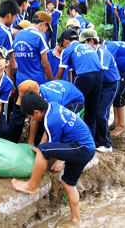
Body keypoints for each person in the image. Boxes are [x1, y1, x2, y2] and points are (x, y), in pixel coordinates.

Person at [12, 91, 96, 224]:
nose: (32, 120)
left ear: (36, 112)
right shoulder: (53, 106)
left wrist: (58, 159)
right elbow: (48, 134)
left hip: (81, 148)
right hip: (86, 147)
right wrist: (40, 146)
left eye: (31, 117)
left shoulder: (52, 120)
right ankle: (76, 220)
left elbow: (50, 148)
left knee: (44, 150)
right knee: (68, 183)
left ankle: (32, 186)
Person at [8, 11, 54, 142]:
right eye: (47, 28)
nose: (46, 31)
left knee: (17, 114)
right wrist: (52, 80)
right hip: (37, 83)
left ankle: (12, 142)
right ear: (43, 24)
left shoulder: (18, 35)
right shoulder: (39, 36)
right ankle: (37, 145)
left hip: (21, 81)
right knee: (39, 114)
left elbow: (14, 61)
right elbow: (45, 64)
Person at [54, 29, 103, 138]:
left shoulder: (67, 50)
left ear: (66, 42)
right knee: (92, 108)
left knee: (71, 104)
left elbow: (60, 75)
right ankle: (90, 140)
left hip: (84, 76)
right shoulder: (88, 47)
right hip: (99, 75)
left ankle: (69, 135)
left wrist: (51, 85)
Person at [80, 30, 120, 153]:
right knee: (95, 112)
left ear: (91, 41)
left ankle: (106, 144)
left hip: (110, 85)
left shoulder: (102, 53)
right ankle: (97, 140)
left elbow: (100, 72)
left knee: (101, 112)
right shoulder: (89, 53)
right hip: (100, 84)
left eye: (83, 43)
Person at [15, 79, 85, 147]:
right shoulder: (35, 91)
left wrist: (40, 148)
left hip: (74, 99)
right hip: (62, 90)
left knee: (59, 125)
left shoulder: (53, 102)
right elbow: (34, 119)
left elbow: (51, 124)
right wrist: (30, 142)